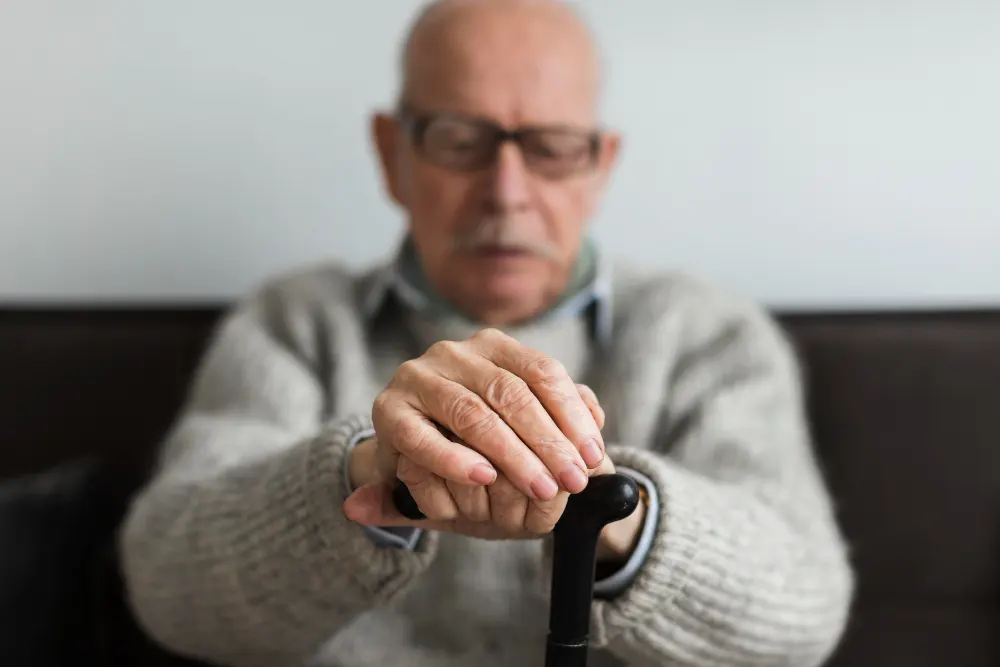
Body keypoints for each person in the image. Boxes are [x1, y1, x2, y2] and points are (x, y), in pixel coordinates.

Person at [118, 1, 855, 665]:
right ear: (391, 153)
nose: (506, 192)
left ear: (600, 165)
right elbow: (168, 582)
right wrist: (375, 472)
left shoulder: (709, 336)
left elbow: (800, 612)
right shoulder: (295, 323)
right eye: (459, 138)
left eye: (553, 147)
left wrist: (595, 497)